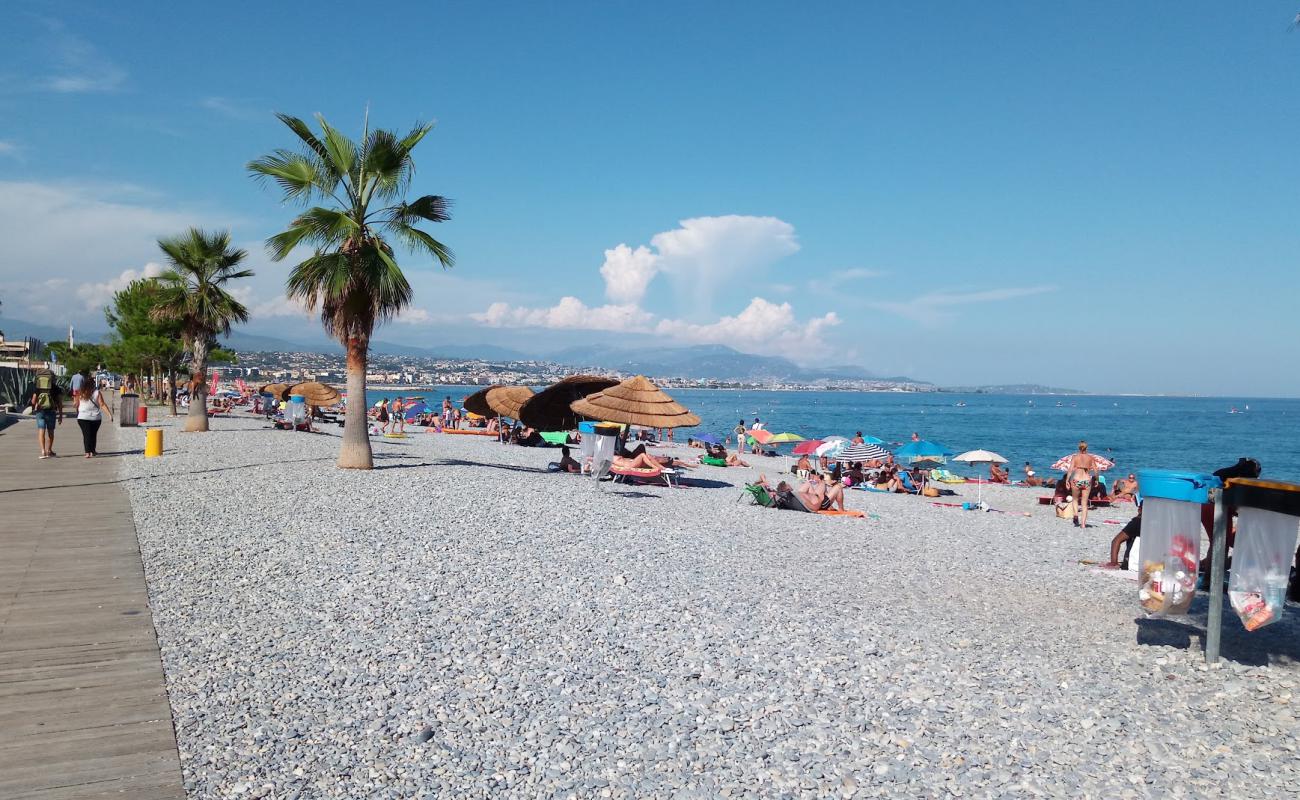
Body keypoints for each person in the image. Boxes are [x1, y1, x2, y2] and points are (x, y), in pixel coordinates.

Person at [30, 368, 63, 459]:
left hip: (40, 411)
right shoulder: (56, 388)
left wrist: (34, 408)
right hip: (51, 411)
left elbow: (33, 401)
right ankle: (49, 450)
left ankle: (43, 451)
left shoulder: (38, 388)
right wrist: (60, 415)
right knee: (50, 432)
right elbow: (60, 403)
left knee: (41, 430)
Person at [1064, 440, 1098, 528]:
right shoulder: (1090, 458)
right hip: (1087, 480)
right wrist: (1097, 480)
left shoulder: (1075, 457)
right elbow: (1096, 471)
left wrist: (1067, 480)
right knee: (1084, 503)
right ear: (1087, 448)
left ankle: (1075, 514)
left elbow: (1070, 469)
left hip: (1076, 480)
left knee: (1075, 499)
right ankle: (1083, 524)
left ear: (1079, 448)